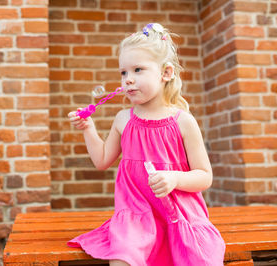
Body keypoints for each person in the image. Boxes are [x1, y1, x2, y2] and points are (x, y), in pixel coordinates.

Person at [67, 23, 226, 266]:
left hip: (179, 214)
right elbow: (101, 161)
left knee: (197, 258)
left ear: (166, 73)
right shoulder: (123, 120)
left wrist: (175, 179)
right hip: (136, 217)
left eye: (138, 70)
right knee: (124, 258)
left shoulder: (183, 122)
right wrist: (88, 129)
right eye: (123, 73)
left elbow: (205, 176)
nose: (128, 80)